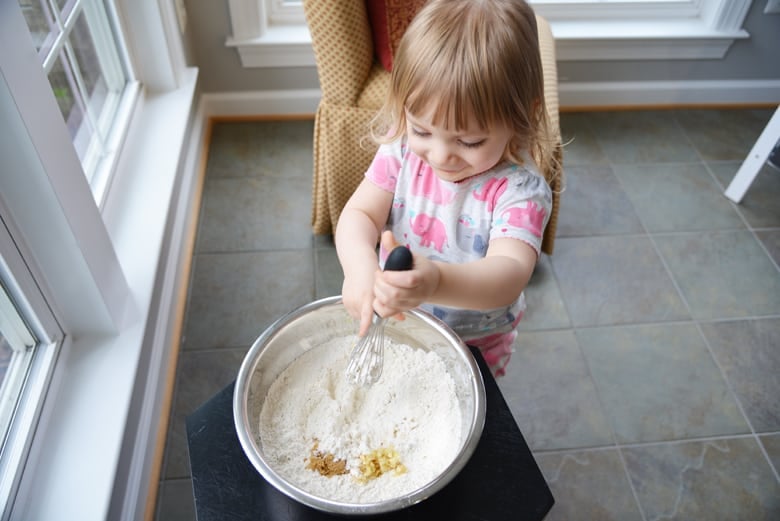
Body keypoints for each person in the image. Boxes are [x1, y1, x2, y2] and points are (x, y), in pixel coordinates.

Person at [335, 0, 558, 376]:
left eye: (469, 142)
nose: (440, 155)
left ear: (522, 118)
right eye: (422, 129)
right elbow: (359, 214)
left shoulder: (520, 190)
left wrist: (436, 281)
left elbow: (508, 274)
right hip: (404, 321)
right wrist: (359, 269)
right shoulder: (402, 148)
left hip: (475, 343)